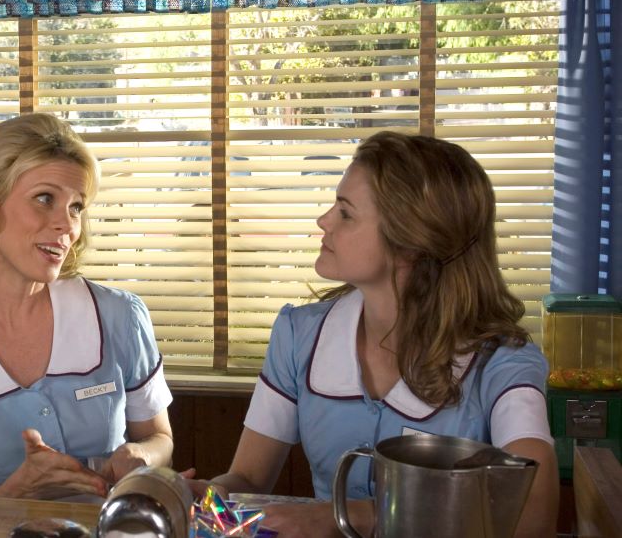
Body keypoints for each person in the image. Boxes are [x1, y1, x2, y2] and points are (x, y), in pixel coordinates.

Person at [206, 131, 558, 538]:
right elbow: (248, 480)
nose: (324, 221)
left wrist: (360, 514)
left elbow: (535, 516)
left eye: (346, 213)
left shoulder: (504, 364)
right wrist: (204, 498)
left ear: (410, 243)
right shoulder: (298, 335)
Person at [0, 113, 174, 498]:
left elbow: (160, 438)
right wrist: (20, 490)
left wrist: (140, 454)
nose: (68, 226)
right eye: (45, 199)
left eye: (76, 207)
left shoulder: (121, 317)